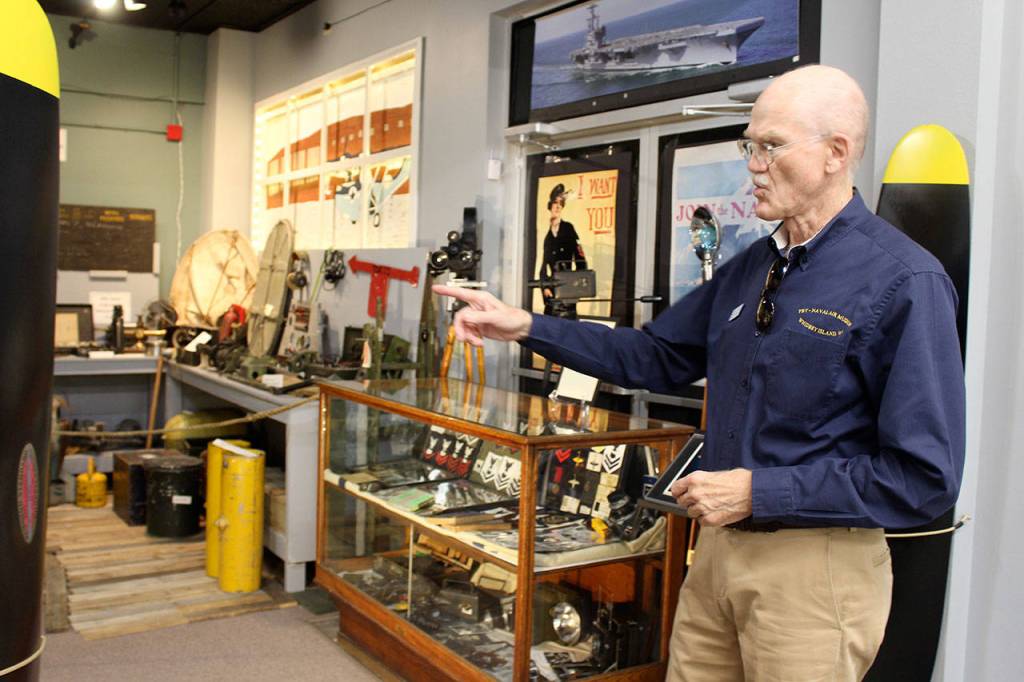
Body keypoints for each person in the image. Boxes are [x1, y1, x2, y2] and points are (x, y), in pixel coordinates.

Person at [435, 64, 965, 681]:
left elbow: (924, 478)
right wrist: (525, 325)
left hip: (814, 572)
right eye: (750, 144)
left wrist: (758, 492)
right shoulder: (753, 267)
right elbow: (654, 355)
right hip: (716, 553)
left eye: (771, 146)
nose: (753, 164)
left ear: (835, 153)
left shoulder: (905, 281)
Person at [538, 183, 588, 316]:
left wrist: (577, 286)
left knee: (568, 323)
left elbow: (580, 257)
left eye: (561, 203)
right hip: (552, 290)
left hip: (567, 287)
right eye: (555, 202)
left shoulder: (568, 228)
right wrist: (545, 286)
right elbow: (544, 266)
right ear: (550, 206)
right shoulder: (547, 237)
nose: (558, 206)